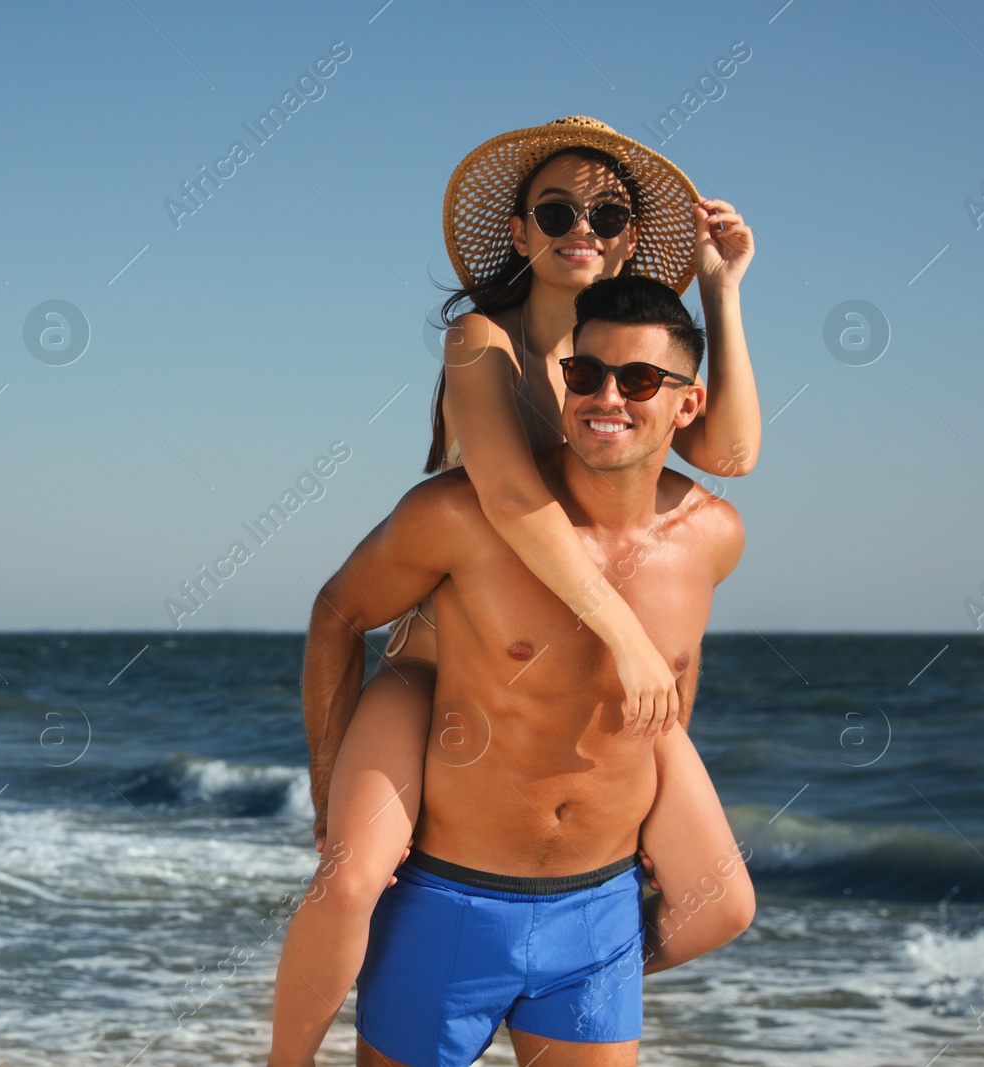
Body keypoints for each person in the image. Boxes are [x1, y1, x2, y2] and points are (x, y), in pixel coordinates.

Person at [269, 118, 759, 1066]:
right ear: (523, 232)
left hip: (580, 668)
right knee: (352, 877)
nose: (583, 224)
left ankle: (555, 980)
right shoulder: (482, 341)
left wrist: (719, 291)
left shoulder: (617, 356)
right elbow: (507, 496)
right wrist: (622, 631)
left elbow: (728, 453)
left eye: (608, 211)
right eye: (557, 209)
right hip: (440, 655)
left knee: (723, 901)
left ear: (628, 237)